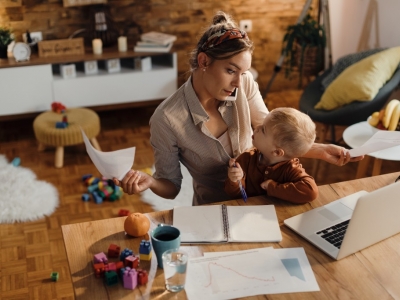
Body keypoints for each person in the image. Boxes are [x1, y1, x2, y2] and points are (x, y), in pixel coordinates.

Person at [114, 11, 363, 206]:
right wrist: (151, 183)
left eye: (242, 73)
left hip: (262, 202)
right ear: (203, 61)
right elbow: (171, 187)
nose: (238, 82)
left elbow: (272, 133)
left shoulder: (243, 83)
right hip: (213, 210)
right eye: (231, 70)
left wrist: (319, 151)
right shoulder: (166, 119)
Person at [225, 107, 318, 203]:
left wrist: (272, 187)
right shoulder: (246, 159)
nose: (257, 128)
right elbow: (234, 194)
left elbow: (311, 192)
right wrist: (235, 180)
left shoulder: (291, 168)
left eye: (263, 130)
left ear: (277, 152)